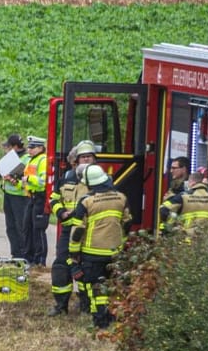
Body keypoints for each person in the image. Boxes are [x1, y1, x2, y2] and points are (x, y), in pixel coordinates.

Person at [63, 164, 133, 329]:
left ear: (89, 183)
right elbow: (128, 222)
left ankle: (100, 323)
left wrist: (73, 254)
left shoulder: (87, 201)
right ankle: (114, 319)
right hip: (115, 252)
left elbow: (78, 230)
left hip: (91, 253)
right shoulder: (121, 198)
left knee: (96, 289)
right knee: (113, 286)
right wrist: (121, 243)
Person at [50, 140, 98, 314]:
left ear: (94, 160)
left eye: (89, 157)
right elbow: (54, 198)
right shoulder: (66, 178)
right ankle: (61, 306)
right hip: (68, 231)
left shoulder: (99, 180)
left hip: (89, 232)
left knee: (87, 268)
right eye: (82, 157)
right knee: (61, 266)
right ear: (76, 161)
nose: (86, 160)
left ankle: (86, 305)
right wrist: (61, 212)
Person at [0, 133, 29, 260]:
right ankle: (15, 253)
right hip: (9, 195)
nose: (7, 150)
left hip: (20, 197)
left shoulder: (26, 159)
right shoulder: (11, 156)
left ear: (16, 147)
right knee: (10, 226)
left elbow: (26, 178)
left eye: (9, 147)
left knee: (20, 226)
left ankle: (23, 254)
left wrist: (13, 178)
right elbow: (1, 171)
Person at [23, 135, 51, 266]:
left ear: (40, 147)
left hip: (40, 197)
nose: (29, 150)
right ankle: (29, 257)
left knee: (38, 229)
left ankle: (40, 260)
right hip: (32, 197)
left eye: (32, 147)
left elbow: (43, 181)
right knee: (27, 227)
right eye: (29, 147)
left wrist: (28, 180)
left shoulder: (43, 160)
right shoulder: (32, 160)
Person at [157, 156, 191, 233]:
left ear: (184, 169)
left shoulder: (188, 188)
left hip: (181, 229)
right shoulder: (174, 184)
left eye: (174, 168)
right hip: (170, 228)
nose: (171, 171)